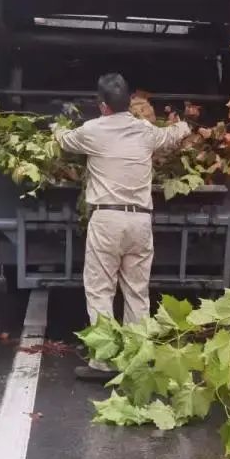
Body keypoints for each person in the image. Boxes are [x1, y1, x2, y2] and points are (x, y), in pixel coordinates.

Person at [54, 73, 192, 381]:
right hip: (140, 221)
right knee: (137, 292)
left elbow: (64, 140)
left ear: (102, 105)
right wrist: (186, 124)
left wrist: (56, 128)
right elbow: (172, 135)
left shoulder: (92, 130)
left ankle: (103, 362)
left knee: (100, 290)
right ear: (129, 102)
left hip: (107, 220)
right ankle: (136, 358)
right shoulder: (145, 131)